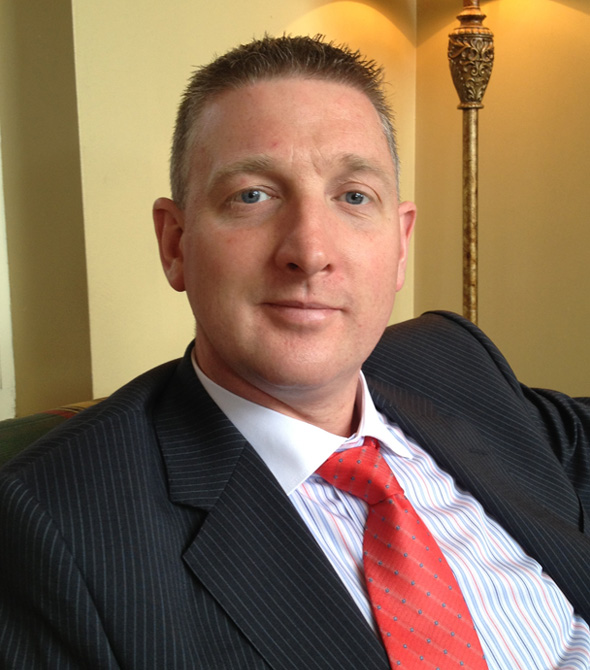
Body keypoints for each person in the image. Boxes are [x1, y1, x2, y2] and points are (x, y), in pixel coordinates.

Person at [1, 34, 589, 670]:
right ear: (175, 244)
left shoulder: (452, 362)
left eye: (353, 196)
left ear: (399, 244)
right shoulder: (56, 529)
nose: (310, 252)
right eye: (253, 195)